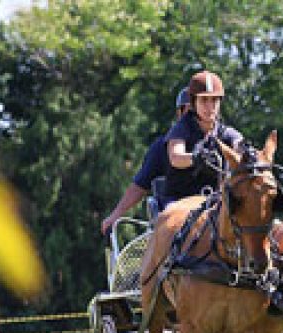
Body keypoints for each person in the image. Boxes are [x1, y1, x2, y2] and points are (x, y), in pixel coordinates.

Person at [100, 87, 191, 235]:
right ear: (180, 113)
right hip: (176, 217)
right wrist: (115, 215)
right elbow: (139, 186)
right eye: (189, 110)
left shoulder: (220, 143)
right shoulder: (162, 147)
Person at [163, 70, 243, 205]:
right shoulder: (181, 128)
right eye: (204, 99)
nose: (210, 106)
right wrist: (196, 158)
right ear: (194, 102)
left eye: (214, 100)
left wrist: (249, 155)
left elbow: (240, 145)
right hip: (180, 201)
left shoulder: (225, 132)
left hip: (216, 200)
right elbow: (175, 157)